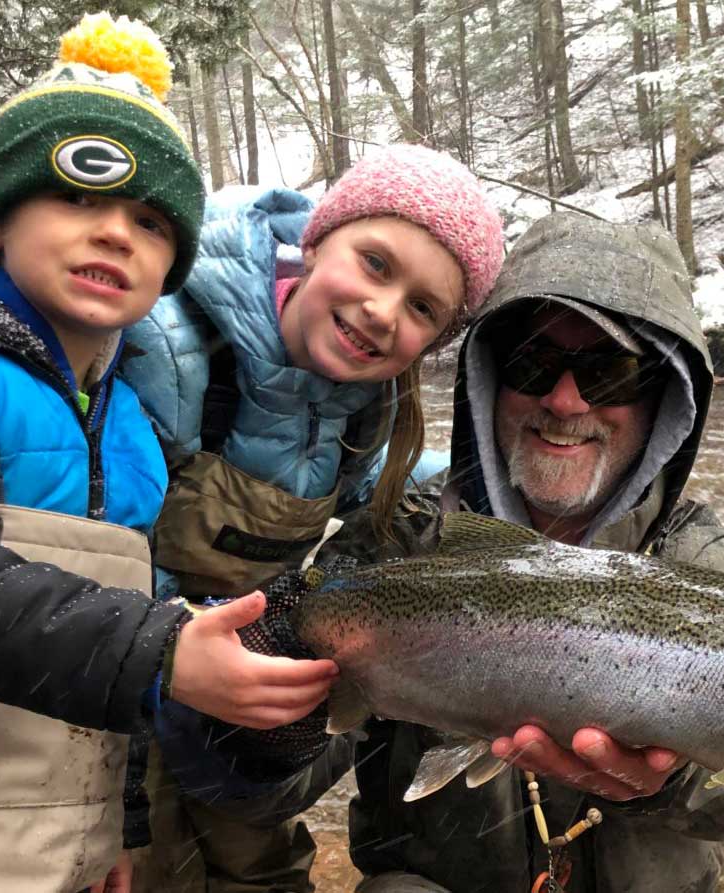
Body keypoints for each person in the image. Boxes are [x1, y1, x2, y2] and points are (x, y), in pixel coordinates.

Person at [233, 211, 724, 892]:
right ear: (488, 382)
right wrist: (275, 708)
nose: (565, 399)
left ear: (663, 399)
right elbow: (255, 796)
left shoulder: (708, 567)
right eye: (532, 362)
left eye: (610, 370)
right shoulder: (399, 544)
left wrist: (672, 771)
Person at [0, 13, 336, 892]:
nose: (114, 234)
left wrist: (118, 831)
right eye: (77, 196)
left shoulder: (134, 423)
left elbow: (111, 664)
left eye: (149, 219)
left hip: (52, 854)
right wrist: (167, 653)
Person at [118, 145, 505, 889]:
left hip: (236, 694)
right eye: (375, 263)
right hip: (119, 675)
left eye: (423, 307)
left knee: (264, 871)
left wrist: (500, 499)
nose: (382, 310)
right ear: (319, 237)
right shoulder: (165, 346)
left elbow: (384, 493)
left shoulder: (369, 403)